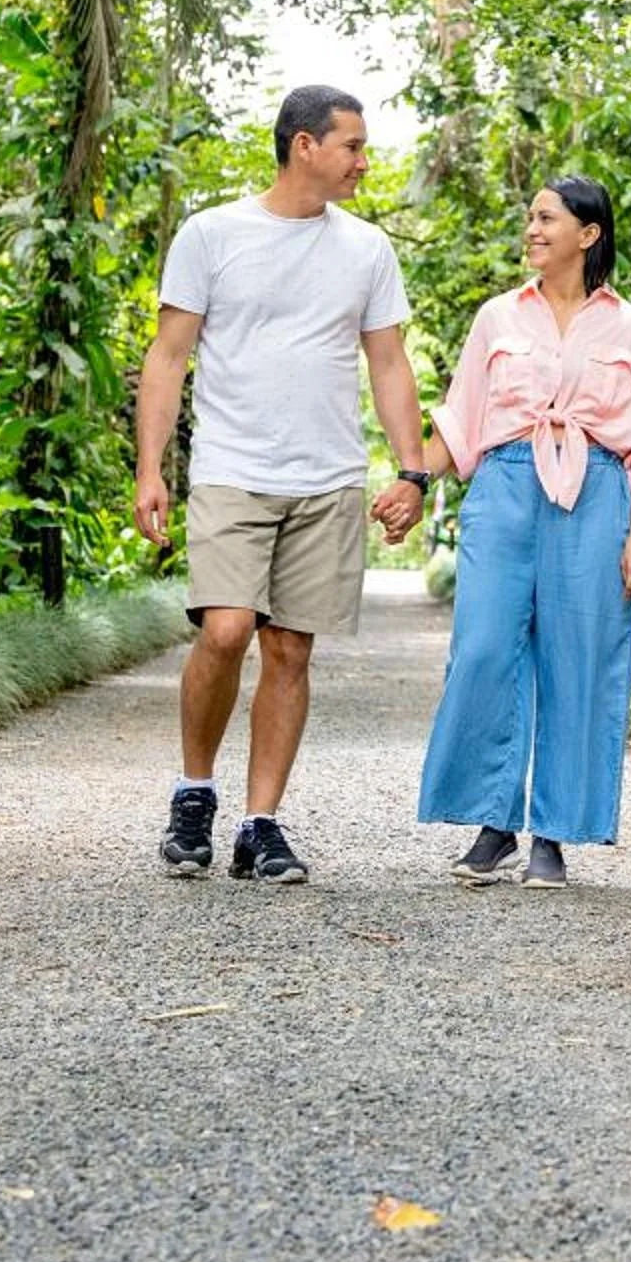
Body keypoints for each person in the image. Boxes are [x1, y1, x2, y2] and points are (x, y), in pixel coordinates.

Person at [133, 85, 434, 886]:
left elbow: (389, 363)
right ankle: (194, 791)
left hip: (327, 477)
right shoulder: (213, 235)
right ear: (305, 145)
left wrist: (413, 470)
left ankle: (260, 824)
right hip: (233, 469)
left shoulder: (367, 250)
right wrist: (149, 469)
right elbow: (168, 358)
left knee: (291, 649)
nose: (364, 163)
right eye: (353, 148)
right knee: (226, 630)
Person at [417, 175, 631, 888]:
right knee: (484, 649)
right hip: (504, 485)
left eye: (545, 218)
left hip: (595, 495)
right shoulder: (498, 317)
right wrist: (413, 481)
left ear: (587, 235)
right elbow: (462, 419)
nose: (531, 229)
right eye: (530, 217)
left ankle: (553, 835)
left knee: (581, 660)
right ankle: (493, 821)